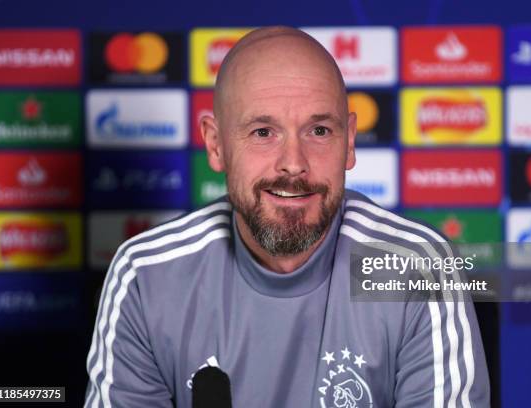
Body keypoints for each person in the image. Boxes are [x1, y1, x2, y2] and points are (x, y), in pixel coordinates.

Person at [84, 26, 490, 407]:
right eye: (263, 132)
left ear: (349, 142)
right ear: (216, 144)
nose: (293, 165)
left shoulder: (416, 266)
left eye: (319, 131)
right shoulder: (145, 275)